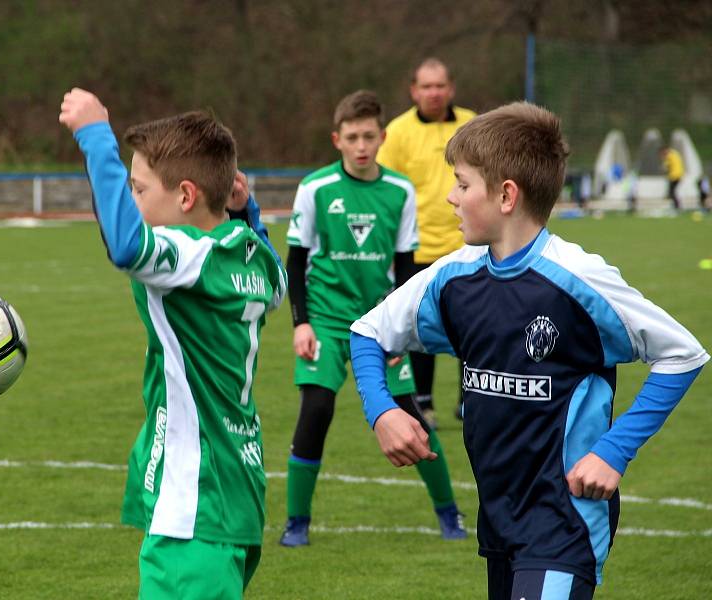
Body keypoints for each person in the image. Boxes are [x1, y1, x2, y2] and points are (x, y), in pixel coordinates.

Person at [351, 102, 708, 599]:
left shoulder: (579, 280)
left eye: (461, 183)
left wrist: (613, 450)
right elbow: (368, 333)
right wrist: (382, 410)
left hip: (564, 519)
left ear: (506, 195)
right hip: (498, 517)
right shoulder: (453, 275)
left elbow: (683, 354)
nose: (450, 198)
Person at [59, 88, 286, 599]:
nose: (132, 202)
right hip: (237, 494)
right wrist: (248, 212)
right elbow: (278, 285)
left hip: (194, 503)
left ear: (185, 197)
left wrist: (96, 136)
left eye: (138, 190)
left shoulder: (189, 255)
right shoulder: (251, 254)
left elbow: (126, 245)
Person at [279, 90, 466, 547]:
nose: (361, 145)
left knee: (409, 415)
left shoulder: (400, 191)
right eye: (351, 137)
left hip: (378, 325)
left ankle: (449, 514)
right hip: (323, 318)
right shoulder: (316, 189)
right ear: (336, 140)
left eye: (368, 136)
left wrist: (399, 328)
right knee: (317, 408)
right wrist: (300, 323)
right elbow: (296, 262)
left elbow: (406, 269)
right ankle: (296, 524)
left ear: (382, 137)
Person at [377, 57, 476, 425]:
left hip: (468, 247)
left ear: (450, 88)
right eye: (426, 86)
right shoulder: (397, 133)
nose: (433, 93)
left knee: (473, 323)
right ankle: (424, 402)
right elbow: (385, 192)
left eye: (440, 86)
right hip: (416, 250)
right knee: (421, 326)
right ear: (414, 91)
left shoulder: (473, 124)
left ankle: (470, 397)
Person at [661, 145, 684, 211]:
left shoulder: (669, 156)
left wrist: (664, 160)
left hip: (674, 176)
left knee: (672, 192)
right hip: (679, 175)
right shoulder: (675, 153)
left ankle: (677, 207)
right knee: (672, 192)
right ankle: (676, 206)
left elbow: (665, 167)